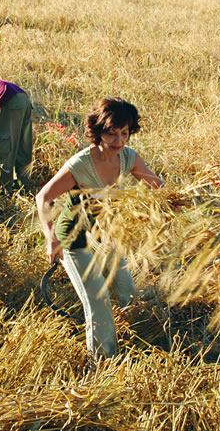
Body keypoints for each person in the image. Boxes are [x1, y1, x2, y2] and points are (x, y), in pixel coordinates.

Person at [35, 98, 164, 359]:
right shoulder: (81, 165)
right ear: (98, 132)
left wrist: (180, 200)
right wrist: (51, 239)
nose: (119, 141)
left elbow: (158, 187)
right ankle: (102, 364)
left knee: (129, 294)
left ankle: (137, 345)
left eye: (124, 133)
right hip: (75, 240)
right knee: (99, 303)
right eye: (112, 133)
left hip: (107, 237)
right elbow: (43, 198)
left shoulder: (128, 158)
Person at [0, 78, 33, 192]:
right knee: (23, 146)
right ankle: (23, 186)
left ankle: (4, 189)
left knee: (6, 146)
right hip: (25, 101)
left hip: (10, 102)